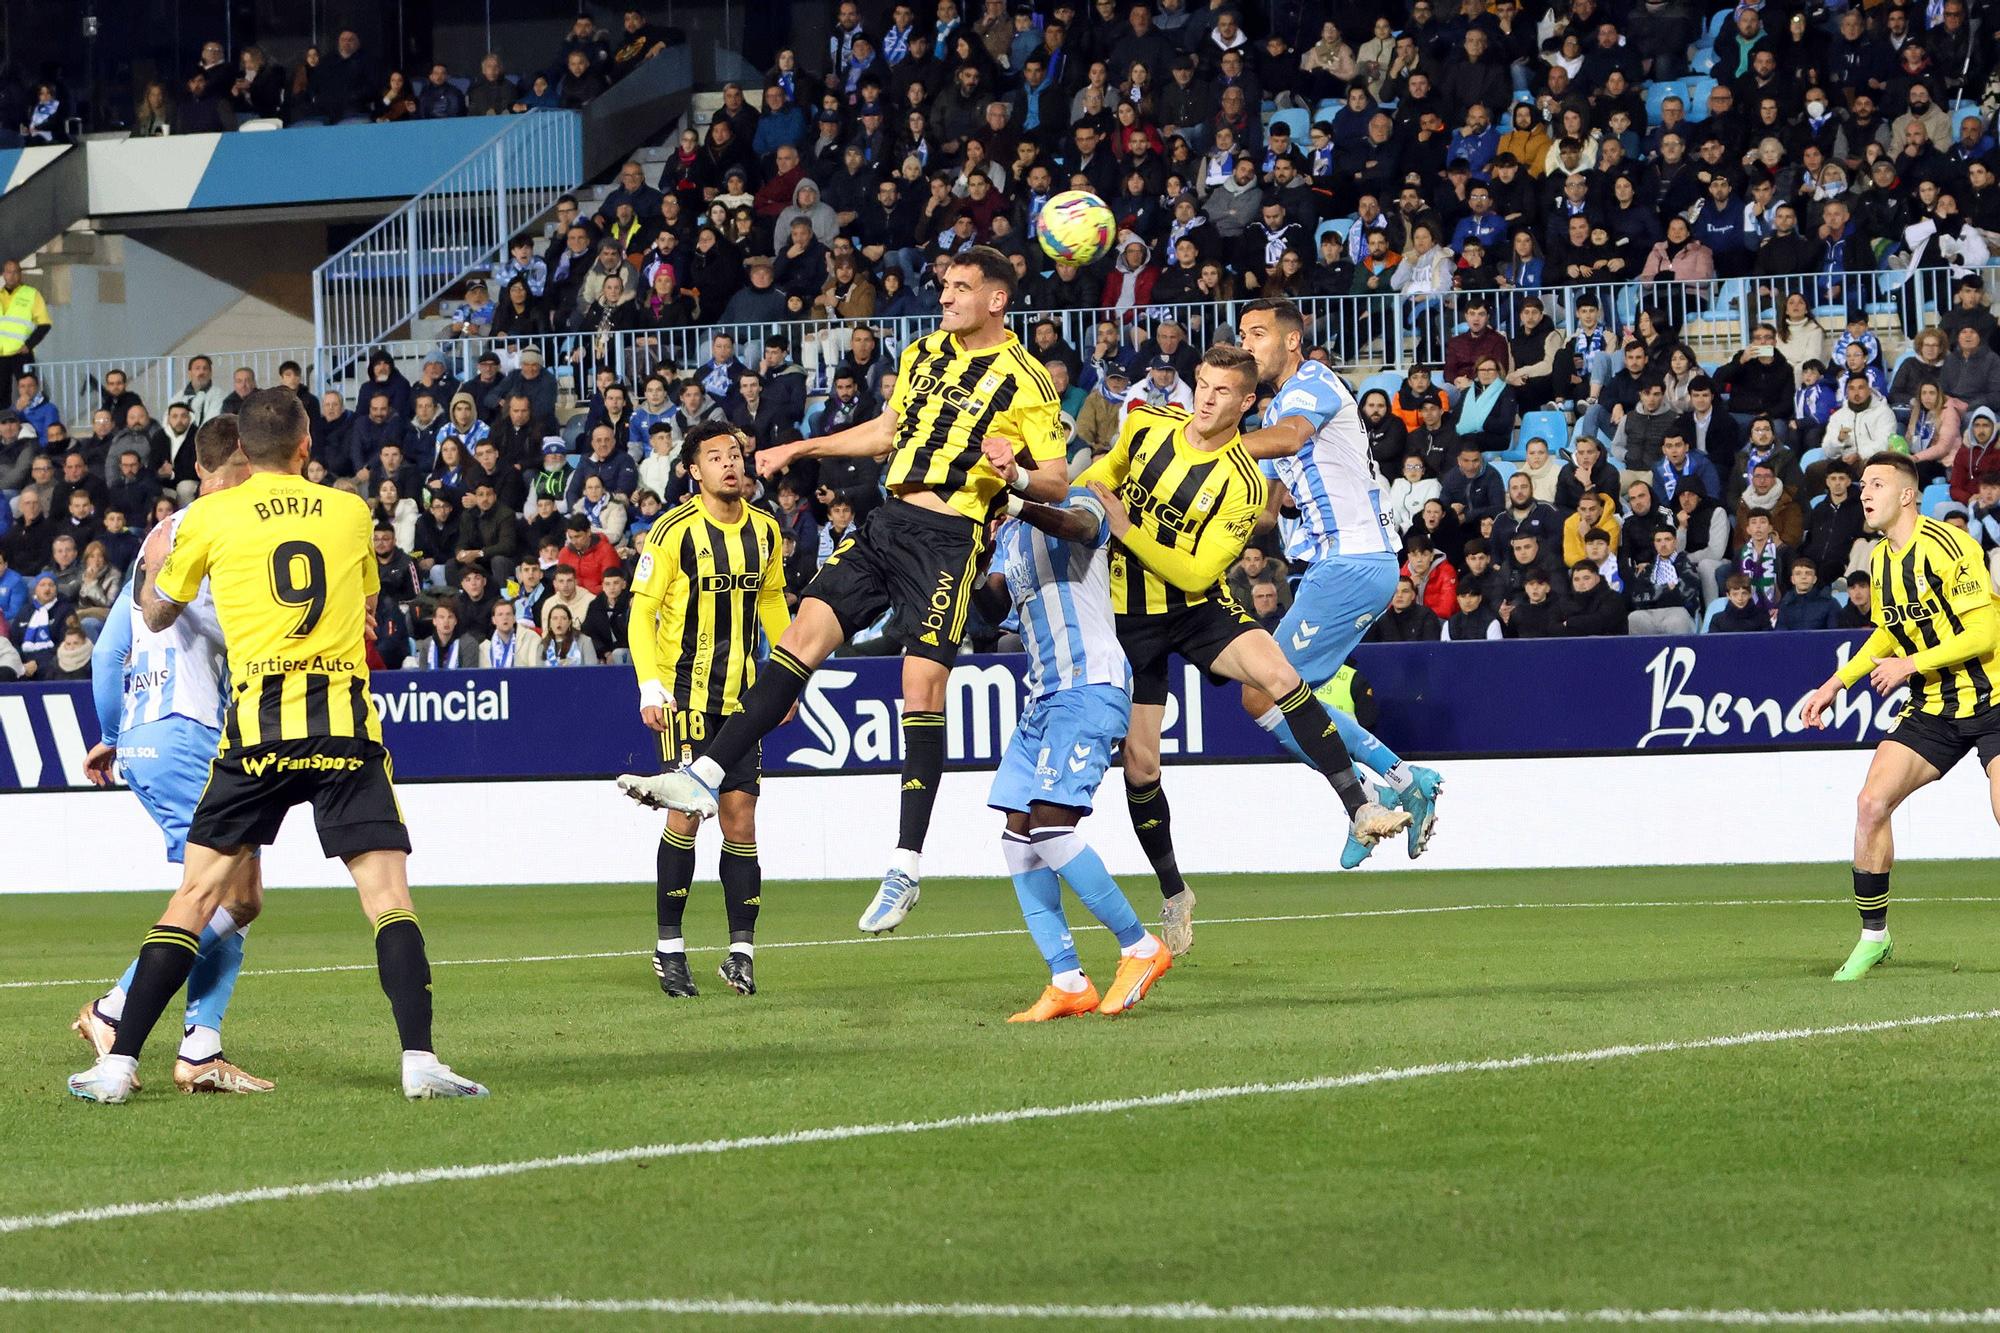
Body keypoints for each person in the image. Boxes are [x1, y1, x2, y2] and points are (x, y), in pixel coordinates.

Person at [618, 247, 1066, 936]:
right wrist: (799, 449)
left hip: (950, 540)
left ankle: (905, 865)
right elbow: (887, 432)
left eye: (959, 288)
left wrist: (1017, 476)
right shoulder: (923, 353)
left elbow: (1058, 482)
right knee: (799, 637)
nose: (944, 297)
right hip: (887, 522)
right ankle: (704, 770)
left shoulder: (1027, 379)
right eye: (943, 285)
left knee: (921, 688)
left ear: (997, 300)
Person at [70, 389, 486, 1104]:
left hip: (254, 725)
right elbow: (364, 611)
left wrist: (162, 580)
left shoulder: (208, 517)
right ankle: (418, 1059)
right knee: (387, 898)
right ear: (304, 447)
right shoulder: (352, 511)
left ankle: (119, 1061)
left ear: (242, 453)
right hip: (342, 723)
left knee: (197, 894)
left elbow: (157, 612)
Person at [74, 420, 273, 1095]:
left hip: (145, 735)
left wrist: (112, 732)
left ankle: (201, 1044)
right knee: (229, 893)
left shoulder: (156, 539)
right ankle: (121, 1010)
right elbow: (235, 628)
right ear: (241, 461)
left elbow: (107, 652)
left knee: (232, 892)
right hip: (190, 729)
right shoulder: (228, 527)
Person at [1238, 297, 1445, 870]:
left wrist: (1197, 441)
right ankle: (1391, 785)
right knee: (1269, 695)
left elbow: (1288, 437)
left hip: (1354, 563)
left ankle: (1390, 786)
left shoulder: (1312, 383)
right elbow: (1264, 509)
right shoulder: (1274, 409)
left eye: (1258, 333)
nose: (1248, 343)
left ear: (1292, 341)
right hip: (1335, 566)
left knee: (1269, 691)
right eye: (1243, 334)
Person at [1803, 453, 2000, 980]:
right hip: (1934, 705)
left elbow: (1984, 634)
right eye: (1863, 484)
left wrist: (1909, 664)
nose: (1864, 493)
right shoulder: (1882, 557)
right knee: (1871, 804)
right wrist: (1831, 687)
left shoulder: (1950, 545)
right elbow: (1889, 633)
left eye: (1876, 484)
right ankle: (1874, 937)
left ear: (1908, 494)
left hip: (1996, 698)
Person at [984, 483, 1170, 1020]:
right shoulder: (1008, 536)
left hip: (1089, 686)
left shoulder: (1078, 497)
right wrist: (965, 544)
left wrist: (1015, 500)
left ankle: (1140, 947)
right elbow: (993, 600)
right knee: (1018, 837)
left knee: (1049, 827)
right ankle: (1067, 978)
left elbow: (1085, 529)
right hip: (1042, 695)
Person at [623, 424, 789, 998]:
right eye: (715, 457)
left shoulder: (766, 531)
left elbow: (770, 602)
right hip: (685, 698)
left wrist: (787, 683)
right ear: (693, 470)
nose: (729, 465)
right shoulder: (672, 532)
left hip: (744, 703)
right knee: (686, 815)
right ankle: (669, 948)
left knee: (741, 817)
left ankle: (740, 953)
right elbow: (641, 614)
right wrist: (649, 686)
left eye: (735, 455)